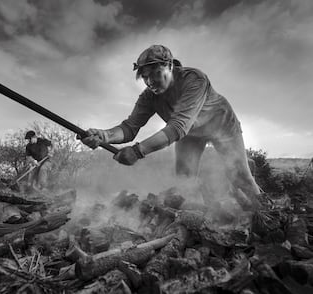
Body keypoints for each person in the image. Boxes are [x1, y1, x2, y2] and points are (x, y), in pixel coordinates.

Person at [80, 44, 261, 210]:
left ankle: (268, 217)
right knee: (185, 182)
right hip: (190, 134)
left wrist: (137, 151)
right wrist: (104, 135)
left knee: (241, 178)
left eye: (155, 73)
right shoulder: (149, 96)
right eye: (144, 77)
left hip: (222, 126)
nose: (150, 81)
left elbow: (177, 127)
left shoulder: (194, 79)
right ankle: (201, 220)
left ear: (169, 66)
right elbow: (129, 128)